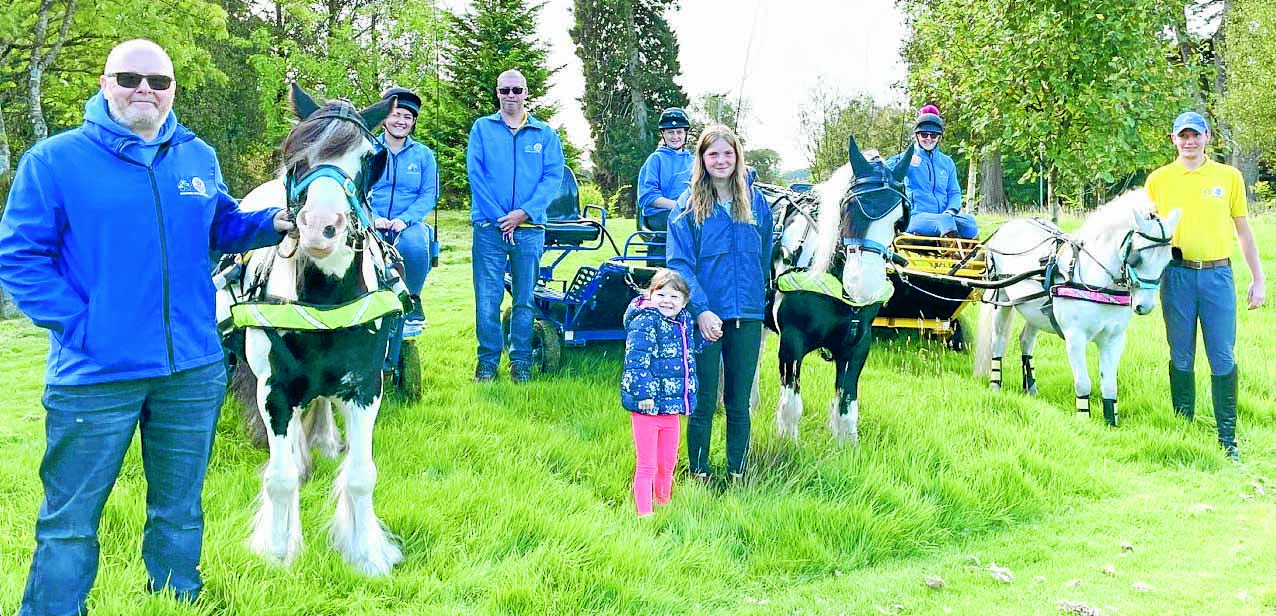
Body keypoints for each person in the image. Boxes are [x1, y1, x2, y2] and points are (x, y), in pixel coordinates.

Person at [0, 39, 292, 615]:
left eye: (158, 81)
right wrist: (82, 327)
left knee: (179, 508)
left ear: (172, 90)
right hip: (94, 375)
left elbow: (221, 224)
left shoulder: (196, 156)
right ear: (106, 84)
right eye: (130, 77)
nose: (144, 90)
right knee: (70, 521)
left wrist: (275, 222)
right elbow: (20, 257)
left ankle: (175, 600)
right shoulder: (55, 161)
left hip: (190, 370)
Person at [1146, 111, 1266, 462]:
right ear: (1173, 140)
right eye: (1182, 136)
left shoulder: (1228, 177)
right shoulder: (1159, 180)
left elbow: (1243, 231)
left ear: (1207, 137)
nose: (1189, 142)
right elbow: (1147, 236)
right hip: (1177, 275)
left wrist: (1258, 279)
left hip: (1217, 277)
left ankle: (1227, 438)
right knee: (1181, 354)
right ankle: (1184, 430)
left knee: (1222, 355)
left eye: (1195, 135)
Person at [666, 124, 774, 482]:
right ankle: (699, 472)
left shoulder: (756, 202)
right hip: (707, 319)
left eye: (728, 153)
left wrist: (757, 303)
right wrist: (702, 310)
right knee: (703, 402)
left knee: (739, 403)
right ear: (702, 159)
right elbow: (680, 264)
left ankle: (737, 474)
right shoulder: (686, 207)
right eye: (713, 154)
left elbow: (764, 255)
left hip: (747, 316)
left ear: (738, 157)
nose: (721, 160)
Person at [466, 69, 565, 383]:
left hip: (530, 229)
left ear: (526, 93)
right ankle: (487, 363)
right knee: (488, 298)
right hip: (488, 228)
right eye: (505, 90)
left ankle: (520, 361)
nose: (511, 96)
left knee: (524, 298)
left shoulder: (545, 135)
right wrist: (501, 218)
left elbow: (552, 178)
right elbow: (476, 175)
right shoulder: (482, 129)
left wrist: (523, 213)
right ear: (497, 93)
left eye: (516, 90)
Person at [621, 268, 701, 515]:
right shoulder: (645, 321)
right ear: (651, 294)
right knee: (647, 465)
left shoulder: (683, 321)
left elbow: (687, 353)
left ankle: (663, 503)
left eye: (674, 297)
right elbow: (636, 360)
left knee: (667, 463)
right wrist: (643, 393)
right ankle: (645, 514)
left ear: (684, 301)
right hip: (647, 407)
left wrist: (707, 339)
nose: (667, 301)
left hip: (671, 407)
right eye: (662, 295)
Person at [371, 86, 439, 339]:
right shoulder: (368, 149)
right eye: (396, 114)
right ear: (385, 118)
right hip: (370, 220)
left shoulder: (424, 155)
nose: (401, 121)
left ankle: (412, 299)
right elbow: (356, 189)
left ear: (413, 123)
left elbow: (428, 194)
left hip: (407, 223)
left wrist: (404, 220)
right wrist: (372, 218)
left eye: (407, 117)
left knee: (415, 243)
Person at [887, 104, 978, 239]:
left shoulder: (947, 162)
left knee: (970, 224)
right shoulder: (905, 159)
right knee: (944, 221)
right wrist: (905, 162)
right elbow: (885, 170)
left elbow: (954, 192)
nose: (928, 138)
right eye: (924, 134)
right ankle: (956, 257)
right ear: (916, 135)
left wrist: (951, 211)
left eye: (934, 135)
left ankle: (959, 245)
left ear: (939, 137)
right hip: (915, 217)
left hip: (945, 217)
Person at [636, 107, 693, 264]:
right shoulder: (655, 160)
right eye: (670, 132)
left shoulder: (695, 161)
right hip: (661, 213)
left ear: (685, 133)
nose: (675, 136)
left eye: (679, 132)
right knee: (686, 221)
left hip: (690, 211)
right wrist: (679, 206)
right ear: (663, 134)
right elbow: (648, 197)